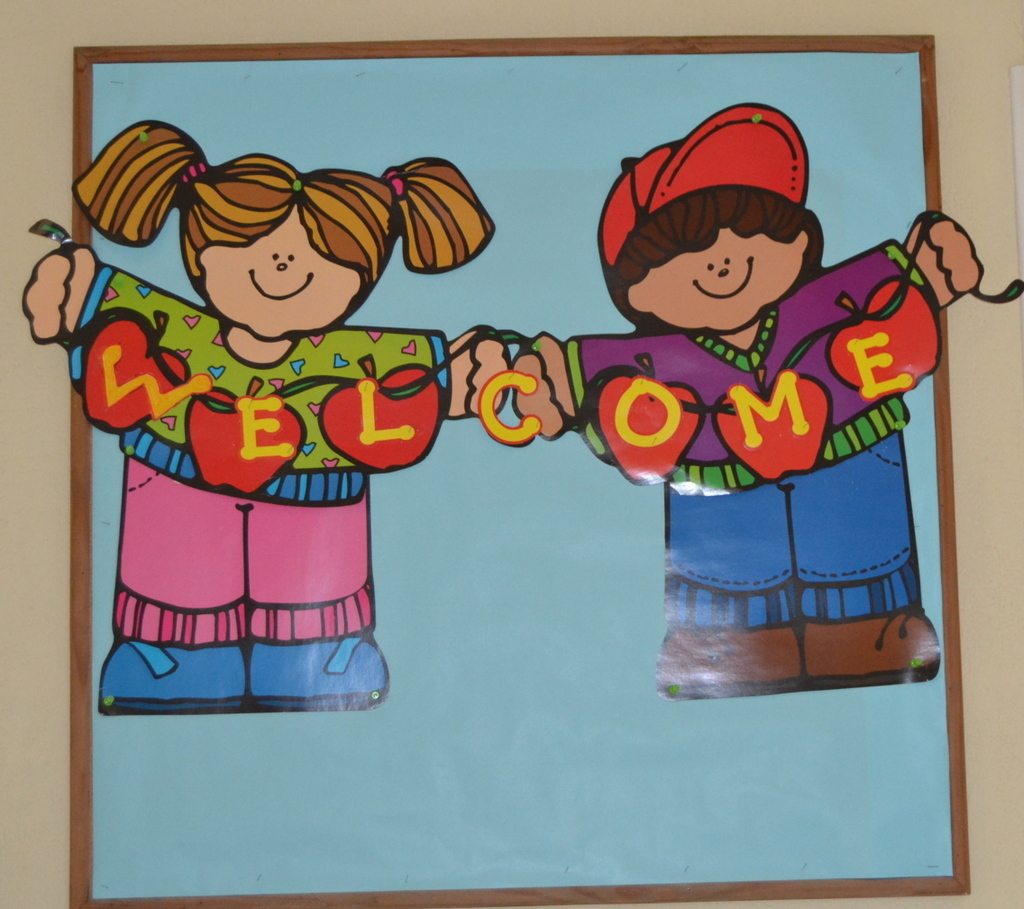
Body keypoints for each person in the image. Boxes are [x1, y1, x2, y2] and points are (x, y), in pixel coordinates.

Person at [508, 103, 1010, 699]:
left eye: (751, 228)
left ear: (798, 241)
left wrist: (929, 274)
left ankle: (870, 624)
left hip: (851, 474)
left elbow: (906, 288)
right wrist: (547, 387)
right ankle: (731, 641)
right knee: (729, 578)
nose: (722, 256)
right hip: (722, 523)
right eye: (680, 248)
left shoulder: (841, 299)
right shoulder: (652, 361)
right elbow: (578, 375)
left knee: (860, 552)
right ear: (634, 289)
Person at [22, 121, 495, 713]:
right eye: (253, 246)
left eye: (320, 258)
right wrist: (77, 296)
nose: (283, 266)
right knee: (176, 588)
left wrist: (458, 378)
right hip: (175, 486)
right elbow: (104, 325)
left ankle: (319, 652)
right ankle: (166, 655)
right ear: (199, 254)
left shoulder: (369, 357)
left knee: (308, 608)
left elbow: (424, 381)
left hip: (316, 509)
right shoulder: (155, 327)